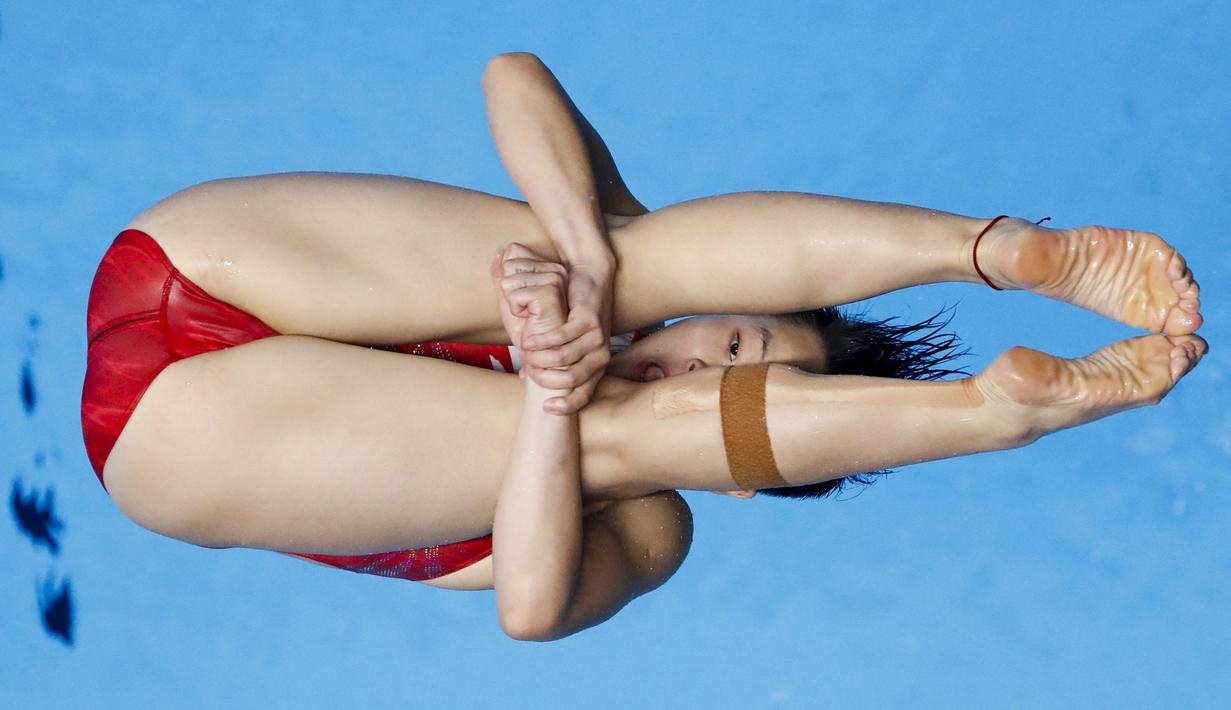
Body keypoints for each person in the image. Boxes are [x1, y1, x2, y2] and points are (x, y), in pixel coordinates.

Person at [80, 52, 1206, 640]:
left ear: (749, 475)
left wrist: (558, 402)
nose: (697, 366)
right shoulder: (630, 295)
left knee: (613, 440)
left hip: (180, 443)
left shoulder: (651, 527)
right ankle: (1001, 248)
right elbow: (511, 71)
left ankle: (989, 412)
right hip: (200, 257)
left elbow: (528, 607)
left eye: (737, 388)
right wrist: (575, 251)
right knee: (632, 256)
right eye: (733, 341)